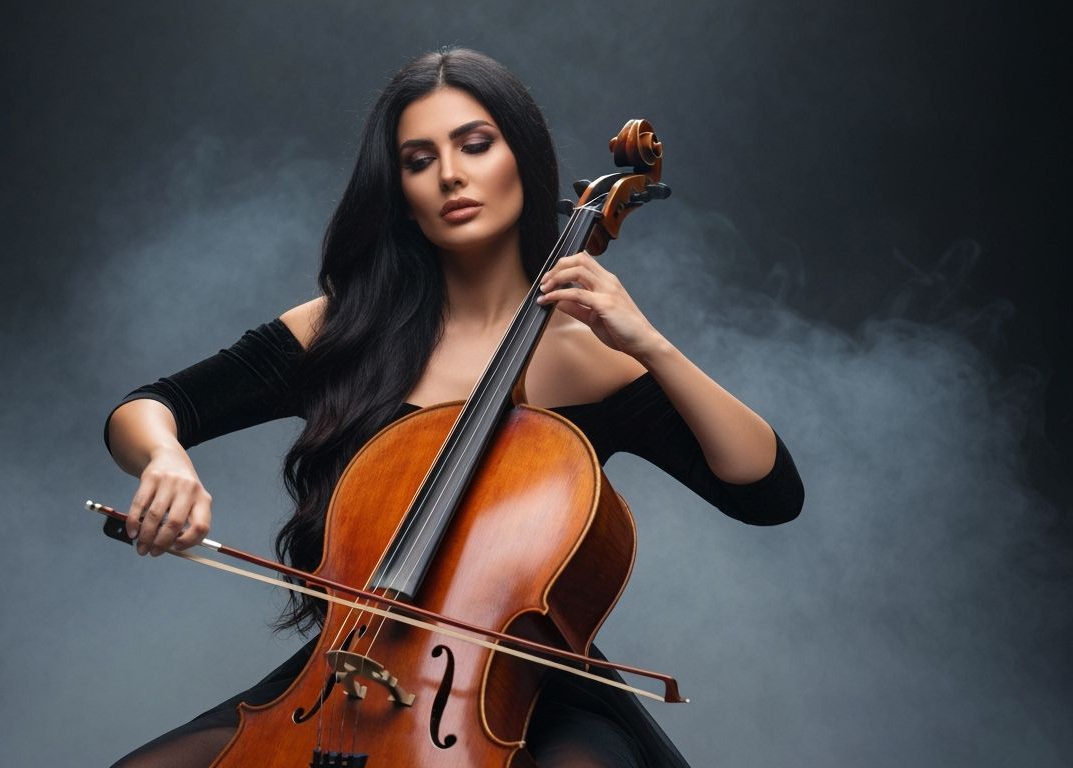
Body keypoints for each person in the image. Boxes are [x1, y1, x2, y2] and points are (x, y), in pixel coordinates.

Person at [103, 47, 803, 768]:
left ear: (521, 161)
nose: (450, 175)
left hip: (536, 688)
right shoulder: (343, 327)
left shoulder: (585, 354)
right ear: (398, 188)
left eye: (475, 145)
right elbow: (152, 406)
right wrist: (167, 457)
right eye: (418, 159)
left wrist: (651, 344)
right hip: (351, 665)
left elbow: (767, 493)